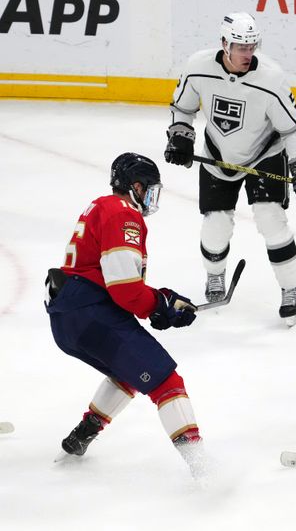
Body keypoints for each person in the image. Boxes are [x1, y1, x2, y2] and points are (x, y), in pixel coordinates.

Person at [45, 153, 205, 478]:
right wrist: (159, 306)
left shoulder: (102, 206)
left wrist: (161, 303)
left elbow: (115, 283)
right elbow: (124, 288)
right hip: (91, 311)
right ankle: (202, 467)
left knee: (128, 372)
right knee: (166, 383)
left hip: (68, 318)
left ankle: (82, 436)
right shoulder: (124, 213)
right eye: (149, 190)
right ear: (135, 186)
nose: (150, 198)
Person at [164, 11, 296, 326]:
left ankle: (292, 290)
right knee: (216, 226)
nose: (247, 54)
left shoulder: (271, 79)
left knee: (271, 220)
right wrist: (180, 136)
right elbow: (182, 108)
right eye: (240, 46)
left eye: (252, 46)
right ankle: (214, 275)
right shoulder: (198, 67)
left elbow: (293, 129)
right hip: (217, 154)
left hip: (264, 155)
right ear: (224, 43)